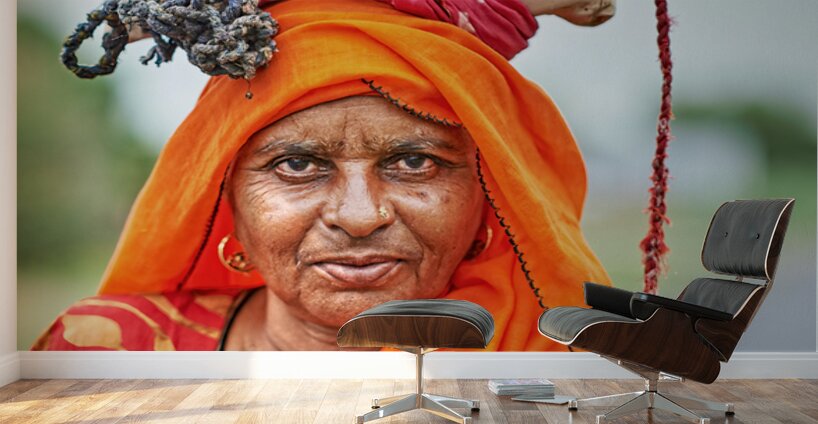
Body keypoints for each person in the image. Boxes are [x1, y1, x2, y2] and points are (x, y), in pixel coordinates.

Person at [33, 0, 615, 351]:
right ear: (227, 199)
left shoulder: (572, 370)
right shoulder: (110, 348)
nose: (360, 218)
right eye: (297, 164)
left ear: (489, 199)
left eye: (414, 161)